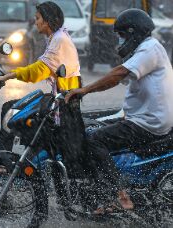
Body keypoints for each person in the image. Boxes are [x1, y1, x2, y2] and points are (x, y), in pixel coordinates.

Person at [65, 9, 173, 214]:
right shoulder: (146, 50)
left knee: (94, 140)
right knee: (96, 125)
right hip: (145, 119)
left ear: (134, 33)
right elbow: (118, 78)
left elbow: (118, 74)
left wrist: (84, 90)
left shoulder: (150, 49)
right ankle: (97, 189)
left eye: (122, 35)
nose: (119, 40)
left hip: (148, 124)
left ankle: (117, 195)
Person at [0, 2, 87, 205]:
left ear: (48, 21)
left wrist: (7, 76)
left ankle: (11, 165)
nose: (35, 22)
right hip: (60, 100)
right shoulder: (56, 38)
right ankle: (27, 168)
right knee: (16, 112)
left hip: (65, 104)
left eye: (38, 19)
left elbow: (38, 70)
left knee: (16, 113)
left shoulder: (59, 40)